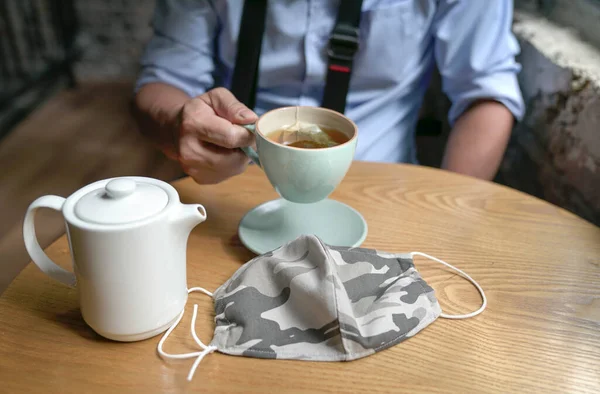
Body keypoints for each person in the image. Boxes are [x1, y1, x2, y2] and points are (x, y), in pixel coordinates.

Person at [133, 0, 524, 185]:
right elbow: (164, 80)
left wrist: (448, 214)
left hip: (383, 187)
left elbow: (485, 91)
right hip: (231, 183)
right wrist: (177, 123)